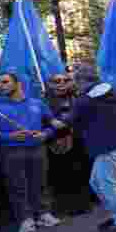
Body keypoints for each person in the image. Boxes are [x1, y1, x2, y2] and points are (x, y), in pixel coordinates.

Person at [63, 64, 116, 232]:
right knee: (97, 182)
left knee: (106, 183)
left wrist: (49, 127)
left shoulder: (85, 99)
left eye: (75, 81)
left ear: (81, 81)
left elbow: (69, 120)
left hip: (106, 145)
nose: (74, 84)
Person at [0, 72, 61, 232]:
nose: (1, 86)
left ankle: (43, 214)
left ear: (18, 83)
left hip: (37, 148)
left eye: (5, 82)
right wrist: (9, 136)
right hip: (10, 151)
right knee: (17, 186)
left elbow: (53, 124)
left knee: (40, 183)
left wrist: (45, 134)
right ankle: (25, 219)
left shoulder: (37, 103)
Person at [45, 73, 95, 216]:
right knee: (60, 176)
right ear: (50, 84)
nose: (61, 83)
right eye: (57, 81)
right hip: (56, 144)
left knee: (81, 173)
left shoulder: (79, 98)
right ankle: (63, 205)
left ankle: (83, 203)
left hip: (79, 142)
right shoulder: (44, 102)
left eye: (65, 80)